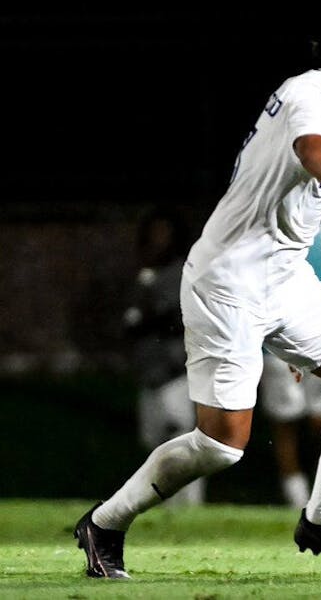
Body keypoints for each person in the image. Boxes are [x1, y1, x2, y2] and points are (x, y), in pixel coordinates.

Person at [73, 0, 321, 580]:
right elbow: (317, 155)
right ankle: (104, 523)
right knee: (221, 446)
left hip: (283, 280)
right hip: (228, 284)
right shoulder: (307, 94)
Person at [122, 205, 205, 507]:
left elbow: (177, 317)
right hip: (149, 372)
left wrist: (148, 318)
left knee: (180, 435)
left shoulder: (182, 272)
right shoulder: (142, 275)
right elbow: (128, 323)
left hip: (176, 371)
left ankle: (190, 503)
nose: (159, 239)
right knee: (153, 441)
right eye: (154, 233)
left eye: (165, 233)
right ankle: (161, 504)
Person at [258, 225, 321, 509]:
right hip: (276, 344)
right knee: (285, 423)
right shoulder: (267, 227)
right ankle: (295, 495)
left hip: (320, 340)